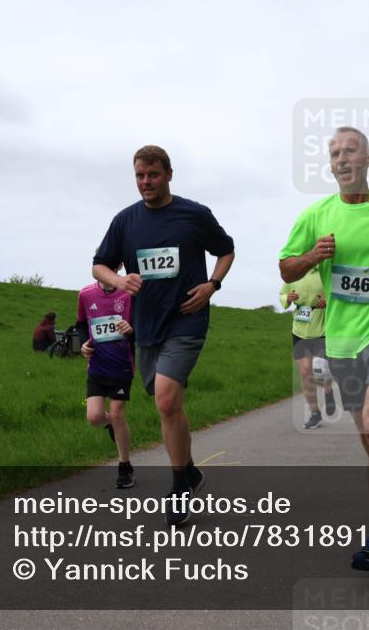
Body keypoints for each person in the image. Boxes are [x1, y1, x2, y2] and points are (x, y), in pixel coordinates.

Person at [279, 126, 369, 572]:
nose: (341, 160)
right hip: (342, 336)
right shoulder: (316, 215)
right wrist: (311, 259)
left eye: (350, 152)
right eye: (334, 154)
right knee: (368, 431)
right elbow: (286, 267)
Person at [90, 144, 235, 526]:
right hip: (144, 325)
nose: (145, 182)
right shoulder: (126, 221)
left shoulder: (194, 214)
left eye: (152, 175)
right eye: (139, 175)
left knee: (168, 401)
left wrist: (212, 285)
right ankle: (190, 470)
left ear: (169, 174)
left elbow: (226, 250)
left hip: (187, 319)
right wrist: (119, 279)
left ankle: (178, 489)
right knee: (165, 402)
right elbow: (99, 265)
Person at [77, 271, 136, 488]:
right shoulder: (85, 294)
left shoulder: (129, 294)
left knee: (118, 412)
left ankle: (125, 467)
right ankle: (114, 423)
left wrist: (131, 330)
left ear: (118, 264)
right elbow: (81, 324)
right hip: (97, 366)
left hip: (122, 365)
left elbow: (142, 328)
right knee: (94, 417)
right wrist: (83, 344)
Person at [280, 266, 337, 428]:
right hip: (299, 330)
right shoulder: (293, 272)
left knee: (322, 368)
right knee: (305, 372)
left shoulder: (327, 271)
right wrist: (288, 298)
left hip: (323, 328)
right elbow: (283, 294)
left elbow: (339, 295)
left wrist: (329, 301)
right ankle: (315, 413)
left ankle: (328, 389)